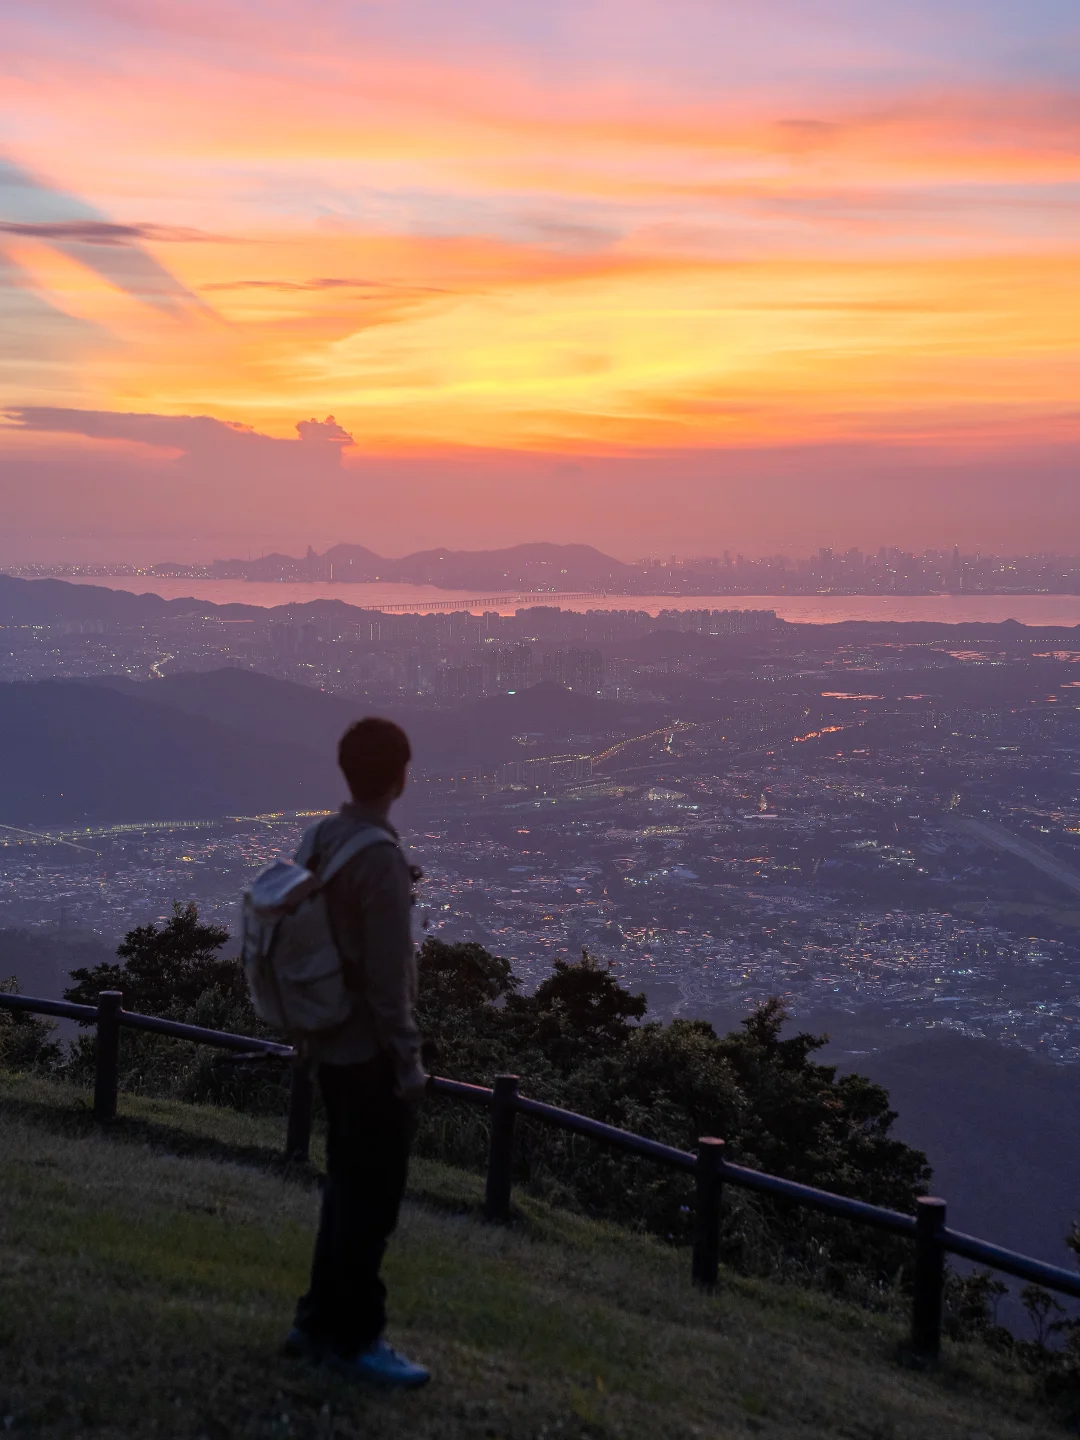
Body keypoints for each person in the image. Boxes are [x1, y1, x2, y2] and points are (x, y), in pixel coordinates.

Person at [285, 716, 430, 1388]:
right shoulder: (379, 859)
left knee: (344, 1188)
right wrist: (408, 1063)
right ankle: (357, 1338)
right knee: (371, 1200)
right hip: (368, 1054)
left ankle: (316, 1321)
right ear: (401, 777)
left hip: (326, 1045)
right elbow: (388, 984)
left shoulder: (321, 837)